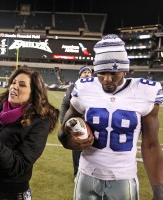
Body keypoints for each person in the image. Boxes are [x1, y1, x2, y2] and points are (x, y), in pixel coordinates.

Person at [58, 34, 163, 199]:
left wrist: (159, 192)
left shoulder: (145, 92)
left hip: (123, 179)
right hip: (87, 175)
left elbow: (151, 145)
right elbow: (63, 132)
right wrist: (70, 141)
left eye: (113, 73)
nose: (107, 79)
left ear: (125, 69)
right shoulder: (83, 89)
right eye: (101, 73)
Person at [0, 67, 59, 200]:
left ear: (33, 92)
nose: (14, 87)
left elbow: (20, 166)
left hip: (12, 195)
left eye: (22, 85)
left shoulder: (39, 121)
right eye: (14, 82)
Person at [59, 66, 92, 180]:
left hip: (92, 122)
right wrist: (63, 120)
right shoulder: (74, 87)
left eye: (89, 72)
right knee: (77, 147)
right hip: (77, 122)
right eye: (84, 72)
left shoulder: (96, 87)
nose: (87, 74)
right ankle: (77, 173)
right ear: (79, 75)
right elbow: (65, 104)